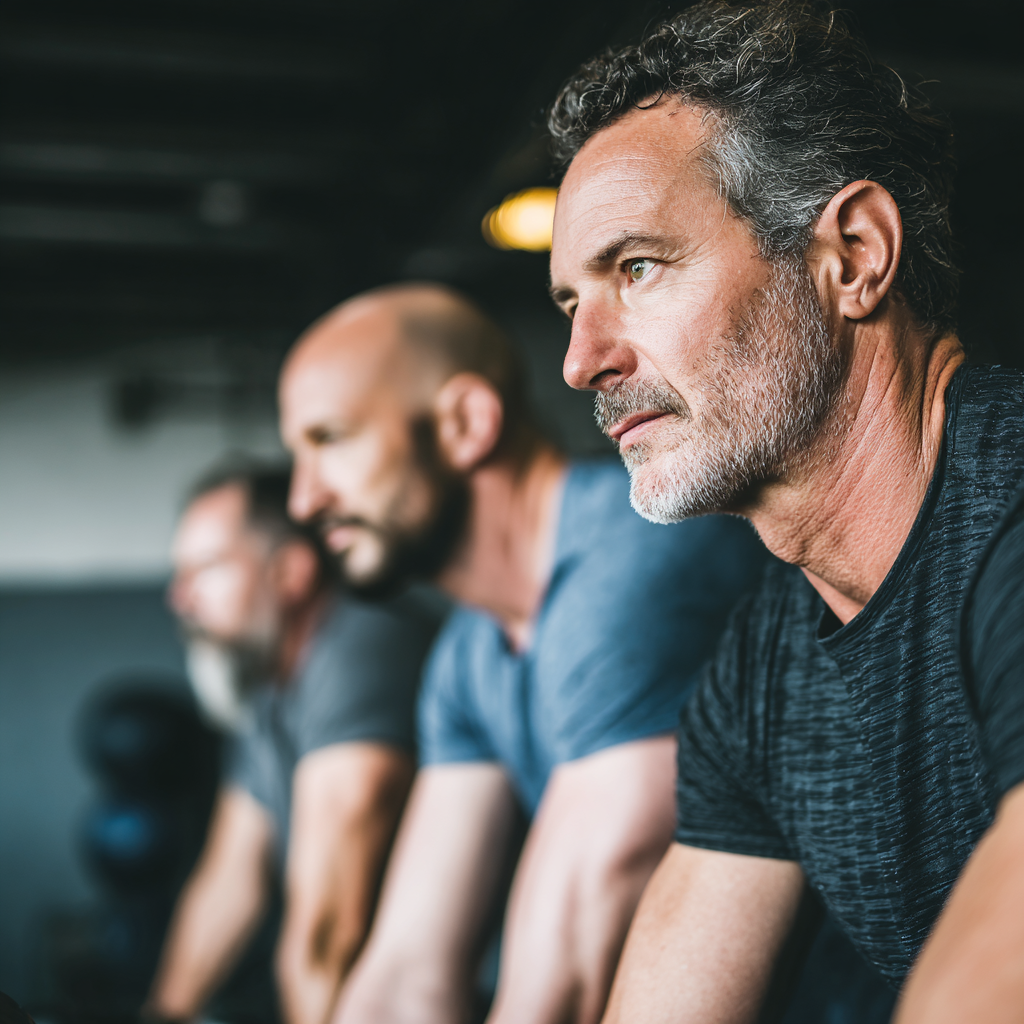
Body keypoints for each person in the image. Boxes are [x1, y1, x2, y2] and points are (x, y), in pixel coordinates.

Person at [546, 1, 1024, 1022]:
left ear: (851, 255)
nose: (584, 361)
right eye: (570, 304)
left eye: (636, 268)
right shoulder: (763, 664)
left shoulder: (1011, 508)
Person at [277, 283, 767, 1024]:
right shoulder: (471, 653)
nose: (303, 501)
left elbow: (562, 982)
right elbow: (407, 972)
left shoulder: (635, 561)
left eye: (330, 440)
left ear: (466, 423)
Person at [145, 464, 441, 1024]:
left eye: (205, 570)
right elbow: (227, 883)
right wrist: (163, 1015)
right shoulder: (271, 689)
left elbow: (328, 932)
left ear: (290, 572)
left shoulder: (362, 648)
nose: (179, 599)